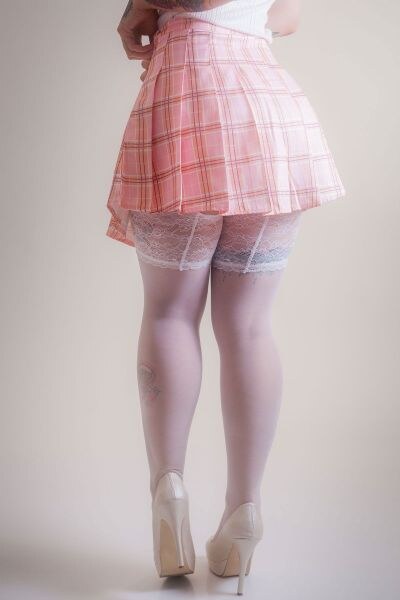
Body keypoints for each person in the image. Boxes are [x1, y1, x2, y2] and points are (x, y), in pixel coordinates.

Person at [105, 1, 346, 594]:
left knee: (169, 312)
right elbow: (286, 16)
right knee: (249, 327)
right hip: (268, 111)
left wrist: (140, 5)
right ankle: (245, 511)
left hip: (187, 104)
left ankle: (169, 487)